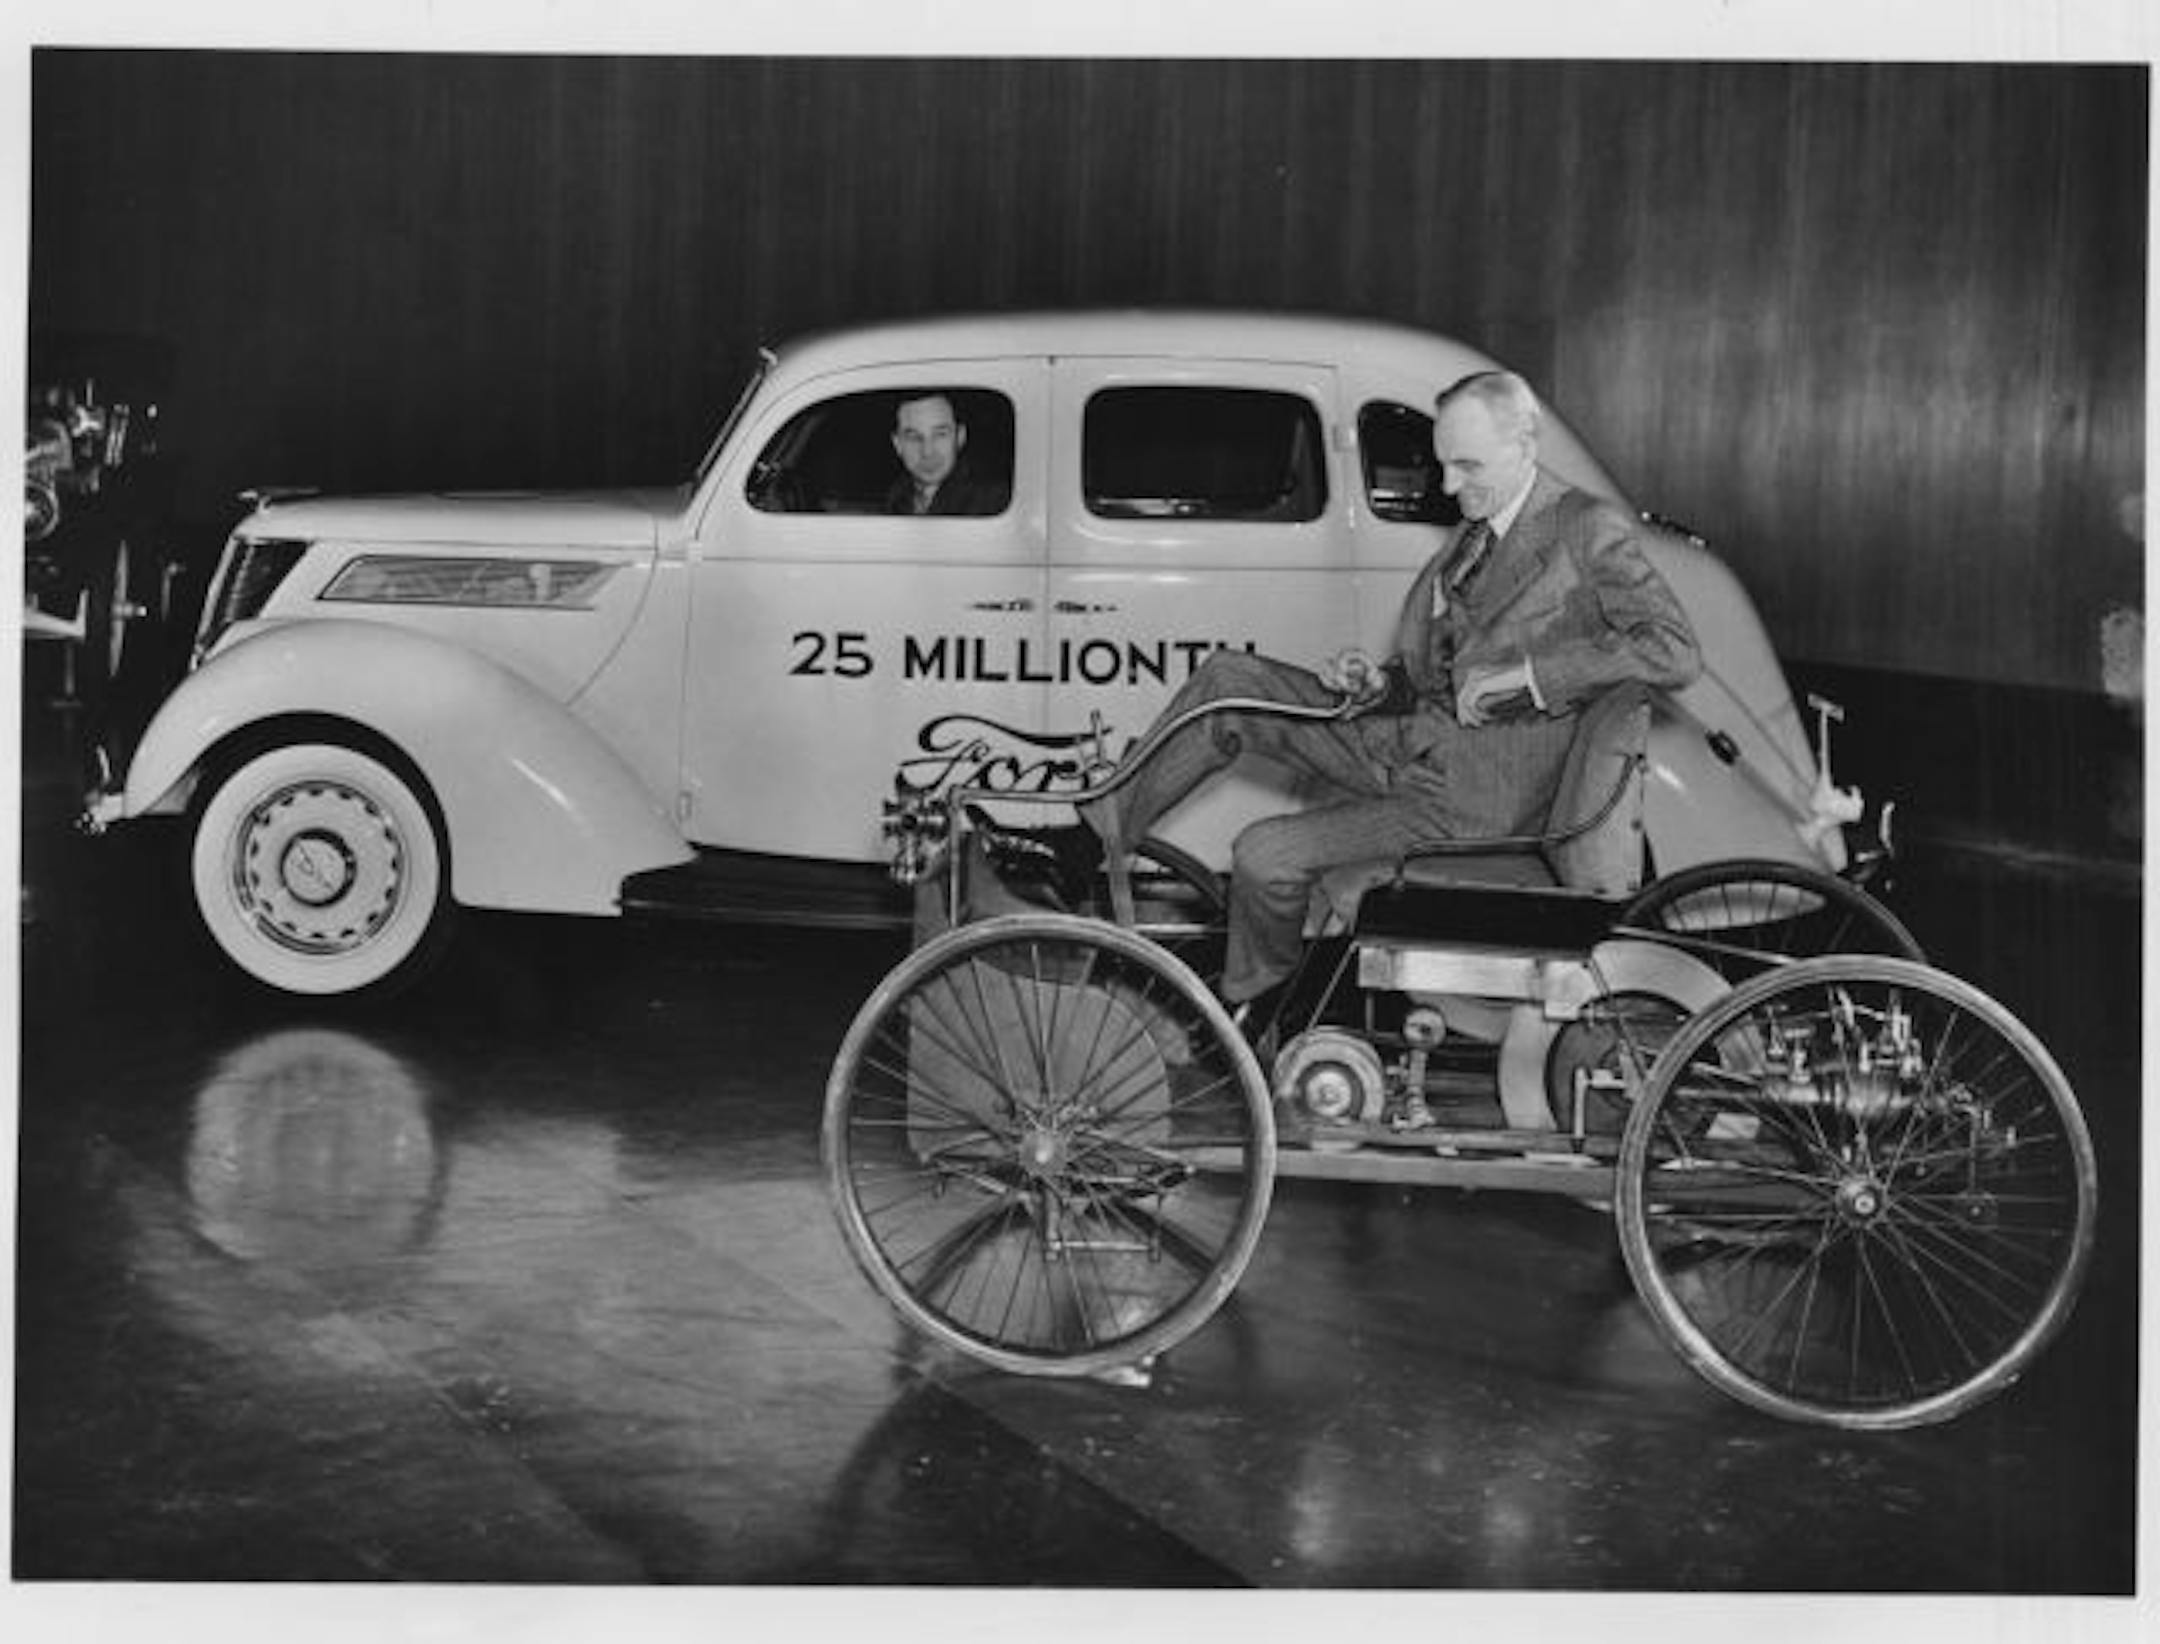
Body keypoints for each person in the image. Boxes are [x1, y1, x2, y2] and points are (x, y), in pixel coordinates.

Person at [1076, 369, 1703, 1011]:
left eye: (1467, 465)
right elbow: (1442, 667)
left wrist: (1537, 679)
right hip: (1399, 737)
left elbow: (1674, 651)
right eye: (1443, 466)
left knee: (1263, 852)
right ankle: (1093, 836)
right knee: (1228, 681)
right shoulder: (1476, 530)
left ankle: (1251, 1007)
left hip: (1469, 800)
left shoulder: (1584, 528)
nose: (1449, 485)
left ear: (1525, 444)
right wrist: (1382, 680)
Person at [883, 390, 1005, 515]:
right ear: (897, 444)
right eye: (914, 437)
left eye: (940, 435)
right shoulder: (896, 496)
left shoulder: (993, 502)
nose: (927, 452)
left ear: (960, 437)